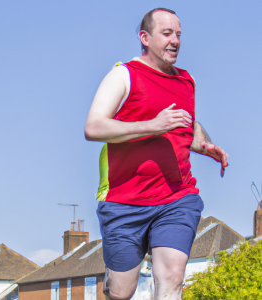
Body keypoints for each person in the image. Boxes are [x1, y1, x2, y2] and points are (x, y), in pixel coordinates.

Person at [85, 8, 229, 300]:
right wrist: (153, 125)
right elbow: (94, 127)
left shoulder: (187, 81)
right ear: (144, 37)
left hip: (177, 196)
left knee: (172, 276)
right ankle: (113, 278)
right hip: (124, 201)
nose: (175, 40)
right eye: (166, 33)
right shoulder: (123, 75)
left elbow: (186, 123)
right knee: (121, 292)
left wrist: (203, 145)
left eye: (178, 35)